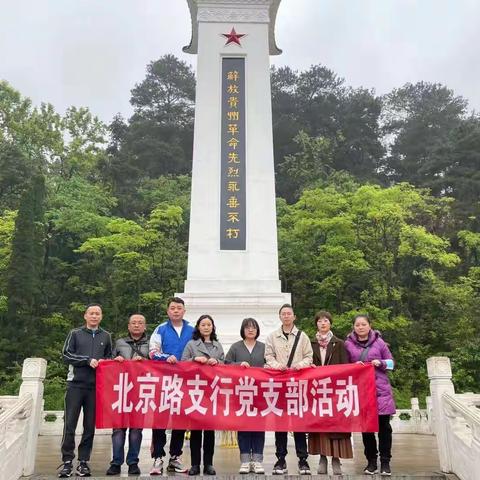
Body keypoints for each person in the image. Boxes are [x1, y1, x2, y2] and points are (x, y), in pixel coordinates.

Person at [58, 304, 112, 478]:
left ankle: (83, 462)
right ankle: (67, 461)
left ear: (101, 316)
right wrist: (86, 360)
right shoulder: (75, 334)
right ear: (85, 316)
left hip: (95, 387)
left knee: (89, 426)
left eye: (97, 313)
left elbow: (109, 358)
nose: (94, 316)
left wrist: (105, 361)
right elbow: (66, 355)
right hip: (75, 385)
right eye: (92, 313)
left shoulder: (106, 336)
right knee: (70, 424)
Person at [265, 303, 313, 475]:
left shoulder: (303, 337)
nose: (286, 316)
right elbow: (268, 356)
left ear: (294, 317)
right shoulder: (272, 336)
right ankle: (281, 459)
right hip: (279, 384)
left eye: (289, 313)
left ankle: (303, 460)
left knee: (299, 423)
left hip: (297, 384)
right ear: (280, 317)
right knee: (281, 423)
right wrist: (277, 366)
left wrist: (300, 365)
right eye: (283, 314)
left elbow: (309, 356)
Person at [344, 314, 396, 476]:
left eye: (363, 324)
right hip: (361, 392)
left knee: (384, 429)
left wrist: (380, 363)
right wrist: (354, 366)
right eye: (357, 325)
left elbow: (391, 363)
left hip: (381, 392)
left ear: (369, 325)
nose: (360, 327)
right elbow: (343, 367)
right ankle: (371, 462)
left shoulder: (379, 343)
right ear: (353, 327)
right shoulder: (347, 345)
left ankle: (385, 462)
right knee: (367, 430)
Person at [149, 297, 194, 475]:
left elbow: (197, 350)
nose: (176, 311)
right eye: (173, 308)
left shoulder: (192, 330)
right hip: (163, 380)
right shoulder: (160, 329)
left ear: (184, 311)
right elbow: (153, 352)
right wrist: (165, 357)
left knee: (180, 419)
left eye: (179, 308)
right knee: (160, 418)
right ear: (168, 311)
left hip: (185, 382)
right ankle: (158, 457)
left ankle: (175, 456)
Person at [308, 311, 352, 475]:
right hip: (317, 391)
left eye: (326, 320)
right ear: (316, 324)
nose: (323, 323)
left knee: (336, 425)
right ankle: (322, 458)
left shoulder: (339, 343)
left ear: (330, 323)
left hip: (335, 392)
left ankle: (336, 459)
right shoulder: (310, 343)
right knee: (319, 425)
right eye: (319, 321)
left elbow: (346, 366)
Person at [106, 314, 149, 476]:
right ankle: (116, 462)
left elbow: (156, 365)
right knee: (118, 428)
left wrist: (144, 361)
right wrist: (115, 359)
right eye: (133, 323)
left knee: (136, 429)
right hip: (121, 389)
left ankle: (133, 462)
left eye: (140, 323)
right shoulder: (119, 342)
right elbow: (107, 362)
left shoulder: (150, 344)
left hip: (141, 390)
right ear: (128, 326)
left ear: (145, 326)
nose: (137, 325)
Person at [182, 314, 225, 476]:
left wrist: (218, 363)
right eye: (203, 325)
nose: (206, 327)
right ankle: (194, 464)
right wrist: (195, 359)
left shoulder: (218, 346)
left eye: (209, 324)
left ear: (212, 327)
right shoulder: (191, 344)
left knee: (209, 431)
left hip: (212, 392)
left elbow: (225, 366)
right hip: (196, 392)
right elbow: (183, 364)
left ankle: (208, 464)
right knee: (195, 430)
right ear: (198, 327)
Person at [225, 318, 266, 475]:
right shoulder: (236, 347)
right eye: (248, 327)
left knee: (258, 426)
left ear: (257, 330)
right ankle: (244, 460)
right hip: (241, 393)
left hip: (261, 393)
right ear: (243, 329)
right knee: (243, 426)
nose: (251, 330)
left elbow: (270, 364)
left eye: (254, 328)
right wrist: (238, 365)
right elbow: (226, 364)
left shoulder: (263, 347)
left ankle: (257, 460)